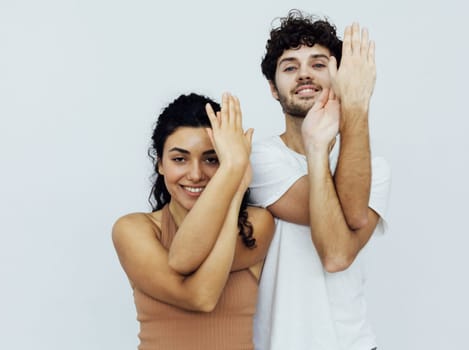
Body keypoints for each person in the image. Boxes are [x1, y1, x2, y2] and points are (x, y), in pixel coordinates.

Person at [250, 10, 392, 350]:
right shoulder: (258, 159)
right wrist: (317, 151)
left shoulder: (377, 169)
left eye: (318, 64)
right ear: (273, 87)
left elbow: (348, 229)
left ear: (341, 76)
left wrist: (357, 106)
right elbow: (336, 252)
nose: (304, 74)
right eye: (289, 67)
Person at [112, 93, 274, 350]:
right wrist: (232, 176)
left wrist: (233, 198)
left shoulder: (256, 224)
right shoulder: (133, 230)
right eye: (179, 159)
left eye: (212, 159)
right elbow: (199, 296)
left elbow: (188, 261)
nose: (196, 174)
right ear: (160, 165)